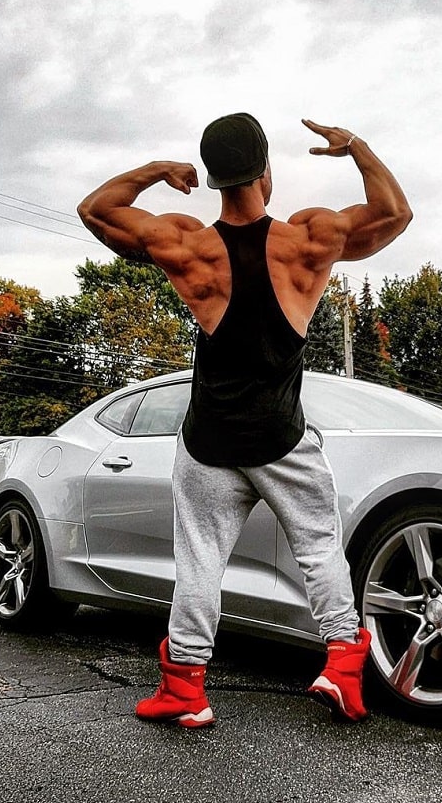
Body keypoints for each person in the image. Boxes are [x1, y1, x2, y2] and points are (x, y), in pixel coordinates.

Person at [77, 114, 412, 727]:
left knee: (200, 561)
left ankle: (184, 689)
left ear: (211, 177)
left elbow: (97, 209)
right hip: (283, 438)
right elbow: (394, 213)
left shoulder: (186, 245)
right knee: (317, 548)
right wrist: (356, 147)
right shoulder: (309, 239)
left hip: (208, 442)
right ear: (265, 173)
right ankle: (342, 668)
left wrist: (157, 171)